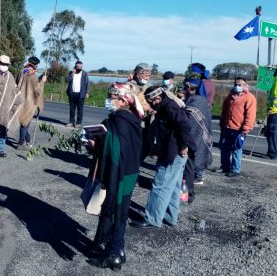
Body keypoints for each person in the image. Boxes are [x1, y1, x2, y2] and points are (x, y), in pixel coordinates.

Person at [86, 83, 142, 271]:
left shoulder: (119, 121)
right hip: (129, 172)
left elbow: (115, 149)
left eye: (111, 97)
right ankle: (119, 249)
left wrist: (96, 144)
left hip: (118, 174)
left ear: (122, 99)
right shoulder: (131, 118)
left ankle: (113, 254)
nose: (108, 100)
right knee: (121, 210)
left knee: (113, 211)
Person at [131, 86, 192, 229]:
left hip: (173, 152)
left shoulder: (169, 107)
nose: (150, 104)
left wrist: (184, 145)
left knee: (161, 184)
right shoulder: (165, 106)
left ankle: (152, 218)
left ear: (157, 98)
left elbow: (184, 125)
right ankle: (170, 216)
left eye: (150, 101)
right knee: (174, 186)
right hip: (172, 151)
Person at [218, 77, 257, 177]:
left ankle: (235, 170)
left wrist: (246, 129)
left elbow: (250, 115)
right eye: (236, 84)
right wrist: (222, 123)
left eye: (240, 84)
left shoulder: (250, 98)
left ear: (245, 85)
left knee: (236, 149)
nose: (237, 86)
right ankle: (225, 167)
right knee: (224, 148)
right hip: (227, 127)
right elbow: (224, 110)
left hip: (239, 129)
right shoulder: (230, 95)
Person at [182, 78, 213, 198]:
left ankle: (185, 195)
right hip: (196, 137)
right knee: (188, 170)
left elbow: (188, 119)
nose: (184, 90)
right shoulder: (201, 99)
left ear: (190, 88)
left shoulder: (196, 101)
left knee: (186, 171)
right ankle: (186, 194)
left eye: (185, 87)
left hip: (193, 138)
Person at [16, 56, 47, 150]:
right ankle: (21, 143)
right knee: (25, 123)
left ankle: (27, 139)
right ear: (36, 65)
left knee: (24, 121)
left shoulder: (22, 71)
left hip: (20, 99)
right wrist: (42, 81)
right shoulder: (32, 76)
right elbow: (37, 90)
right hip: (29, 102)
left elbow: (18, 81)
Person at [65, 61, 89, 127]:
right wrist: (72, 74)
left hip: (80, 94)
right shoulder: (71, 73)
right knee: (72, 109)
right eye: (78, 67)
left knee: (80, 110)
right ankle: (71, 122)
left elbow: (87, 84)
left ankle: (78, 123)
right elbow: (66, 80)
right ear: (75, 66)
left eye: (81, 67)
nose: (79, 68)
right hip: (72, 93)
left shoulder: (84, 74)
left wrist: (87, 92)